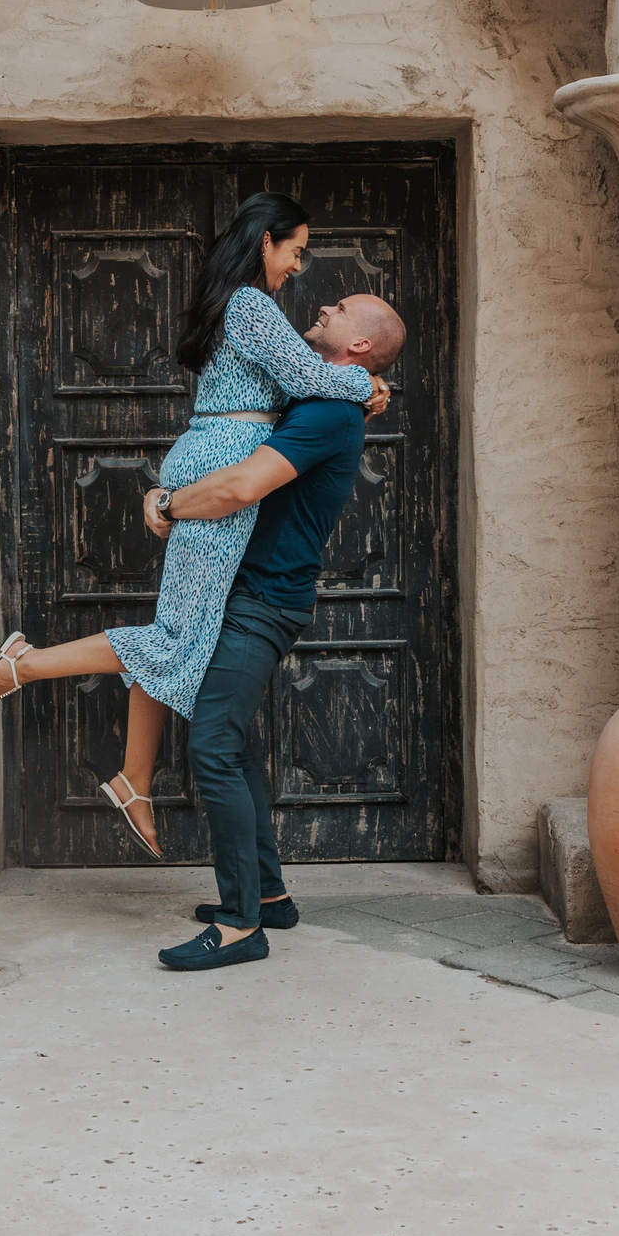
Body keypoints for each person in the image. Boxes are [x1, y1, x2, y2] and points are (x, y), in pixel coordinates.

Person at [0, 193, 391, 860]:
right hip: (222, 466)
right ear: (265, 244)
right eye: (295, 251)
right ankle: (25, 666)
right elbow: (310, 375)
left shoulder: (246, 307)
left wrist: (355, 389)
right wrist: (365, 386)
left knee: (181, 639)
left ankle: (135, 779)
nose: (298, 268)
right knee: (176, 638)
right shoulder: (251, 306)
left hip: (217, 459)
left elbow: (302, 382)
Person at [148, 290, 408, 971]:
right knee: (232, 745)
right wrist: (372, 385)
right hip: (247, 592)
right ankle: (267, 899)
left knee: (212, 747)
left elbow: (238, 488)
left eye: (344, 306)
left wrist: (167, 504)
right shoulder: (318, 394)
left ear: (358, 346)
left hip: (261, 599)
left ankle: (239, 927)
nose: (325, 303)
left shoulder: (326, 411)